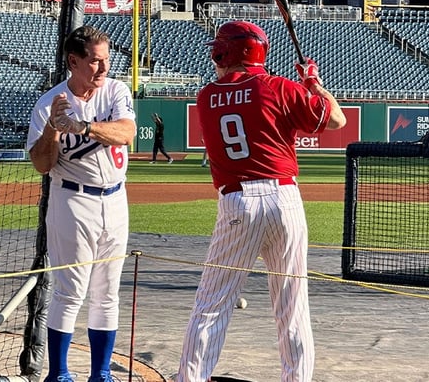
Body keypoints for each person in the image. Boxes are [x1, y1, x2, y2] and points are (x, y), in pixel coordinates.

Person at [176, 21, 346, 382]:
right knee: (292, 304)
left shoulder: (207, 97)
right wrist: (312, 80)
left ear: (230, 52)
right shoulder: (279, 88)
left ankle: (191, 379)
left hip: (238, 201)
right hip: (285, 198)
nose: (214, 57)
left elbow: (243, 95)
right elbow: (335, 118)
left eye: (219, 49)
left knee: (212, 304)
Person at [26, 26, 136, 382]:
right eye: (95, 61)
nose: (103, 68)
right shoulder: (48, 103)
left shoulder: (116, 90)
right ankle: (58, 374)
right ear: (74, 61)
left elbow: (125, 133)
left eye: (106, 59)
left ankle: (101, 374)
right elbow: (42, 164)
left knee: (107, 292)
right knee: (70, 291)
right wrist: (53, 131)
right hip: (72, 200)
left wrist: (82, 126)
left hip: (116, 199)